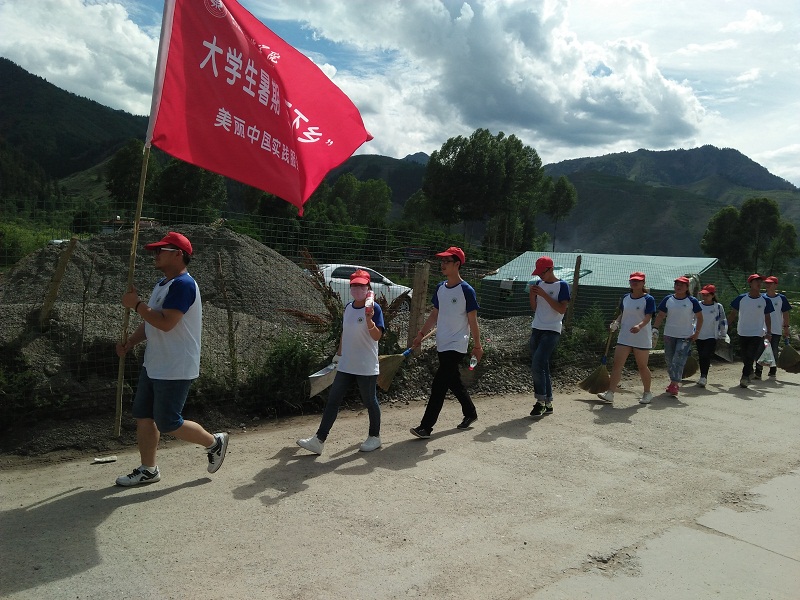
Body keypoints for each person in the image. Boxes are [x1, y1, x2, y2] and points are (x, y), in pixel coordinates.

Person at [115, 232, 228, 486]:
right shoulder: (163, 284)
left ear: (178, 254)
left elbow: (166, 323)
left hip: (175, 366)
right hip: (154, 363)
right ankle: (148, 469)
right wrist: (131, 342)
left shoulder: (183, 285)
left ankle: (214, 442)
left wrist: (136, 304)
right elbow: (151, 321)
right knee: (144, 415)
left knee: (167, 422)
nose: (155, 254)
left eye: (161, 250)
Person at [297, 270, 385, 455]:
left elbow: (377, 336)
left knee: (370, 401)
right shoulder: (348, 308)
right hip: (346, 364)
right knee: (333, 400)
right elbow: (345, 332)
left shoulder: (374, 308)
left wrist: (369, 320)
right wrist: (338, 355)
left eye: (361, 286)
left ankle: (374, 437)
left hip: (366, 365)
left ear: (368, 287)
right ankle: (318, 440)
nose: (357, 289)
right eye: (354, 285)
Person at [409, 247, 483, 438]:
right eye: (441, 261)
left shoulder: (466, 290)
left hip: (457, 344)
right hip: (442, 343)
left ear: (457, 264)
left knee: (439, 384)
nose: (442, 264)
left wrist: (477, 346)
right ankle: (470, 412)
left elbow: (473, 320)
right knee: (453, 381)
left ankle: (426, 427)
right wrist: (421, 334)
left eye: (446, 261)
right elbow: (435, 314)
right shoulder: (441, 288)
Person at [597, 271, 656, 405]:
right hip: (624, 336)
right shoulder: (625, 297)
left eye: (638, 281)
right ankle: (610, 393)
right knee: (617, 365)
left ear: (643, 283)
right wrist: (616, 323)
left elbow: (648, 317)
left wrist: (639, 326)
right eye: (633, 280)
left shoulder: (648, 299)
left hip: (641, 337)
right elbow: (623, 314)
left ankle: (647, 393)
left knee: (642, 366)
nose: (635, 283)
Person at [527, 256, 571, 417]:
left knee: (537, 364)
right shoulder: (539, 284)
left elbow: (561, 309)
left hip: (552, 330)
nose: (540, 276)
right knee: (542, 366)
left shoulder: (562, 285)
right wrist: (532, 296)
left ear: (551, 269)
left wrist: (544, 295)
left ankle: (540, 402)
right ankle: (548, 402)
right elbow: (535, 308)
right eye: (538, 273)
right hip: (537, 328)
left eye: (542, 272)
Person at [652, 276, 703, 397]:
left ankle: (675, 384)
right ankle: (673, 381)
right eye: (676, 284)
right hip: (669, 334)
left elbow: (700, 317)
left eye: (682, 285)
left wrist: (697, 332)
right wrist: (655, 329)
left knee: (678, 359)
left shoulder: (692, 301)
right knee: (669, 359)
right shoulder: (668, 299)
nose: (678, 287)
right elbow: (661, 315)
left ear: (687, 287)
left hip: (685, 336)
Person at [728, 274, 774, 388]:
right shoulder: (741, 298)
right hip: (743, 331)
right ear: (750, 283)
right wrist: (726, 327)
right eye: (756, 281)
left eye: (760, 281)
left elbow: (767, 317)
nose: (759, 283)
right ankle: (749, 371)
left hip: (757, 332)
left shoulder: (765, 300)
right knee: (745, 356)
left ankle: (744, 377)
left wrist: (769, 332)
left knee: (750, 354)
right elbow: (733, 313)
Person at [757, 276, 792, 379]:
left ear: (776, 285)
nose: (767, 285)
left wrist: (786, 327)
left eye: (770, 283)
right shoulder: (761, 297)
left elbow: (785, 313)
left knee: (773, 350)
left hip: (776, 329)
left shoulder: (781, 298)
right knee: (760, 350)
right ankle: (758, 371)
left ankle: (773, 369)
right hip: (762, 329)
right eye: (766, 283)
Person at [694, 284, 728, 387]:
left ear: (713, 295)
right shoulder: (698, 304)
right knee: (701, 356)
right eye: (703, 295)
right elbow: (693, 319)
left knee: (706, 355)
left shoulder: (718, 307)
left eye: (707, 295)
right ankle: (702, 375)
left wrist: (723, 334)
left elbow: (722, 320)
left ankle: (704, 376)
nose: (705, 297)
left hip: (712, 336)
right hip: (699, 335)